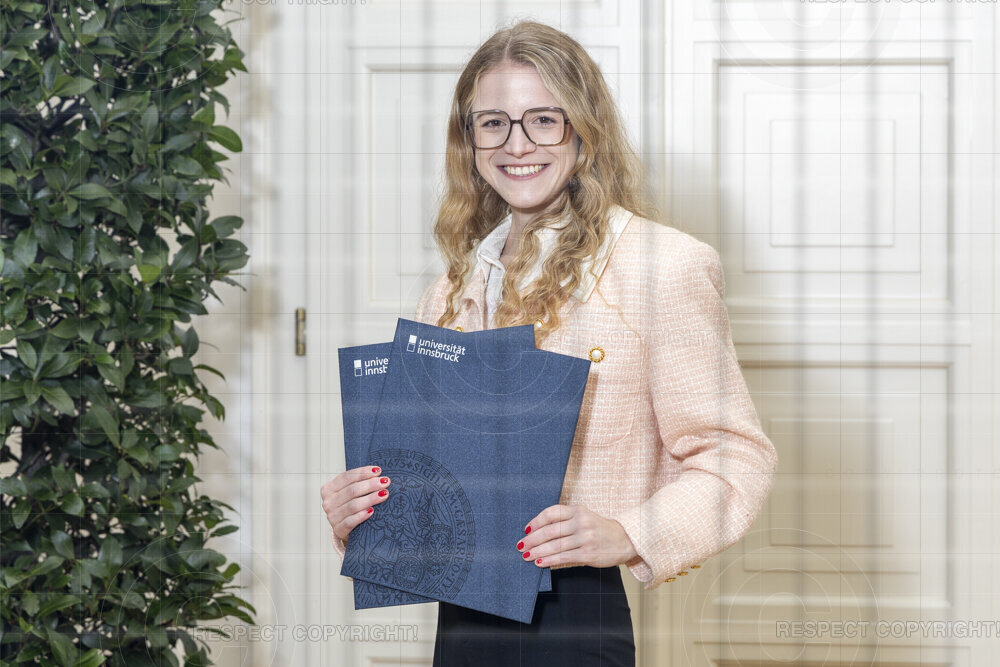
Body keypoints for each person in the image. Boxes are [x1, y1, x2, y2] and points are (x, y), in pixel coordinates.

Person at [320, 19, 778, 666]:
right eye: (494, 123)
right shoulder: (448, 289)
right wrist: (359, 513)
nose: (517, 144)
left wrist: (629, 532)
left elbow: (736, 458)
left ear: (583, 131)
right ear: (469, 140)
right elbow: (429, 491)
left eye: (543, 120)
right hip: (460, 619)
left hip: (575, 616)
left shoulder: (663, 268)